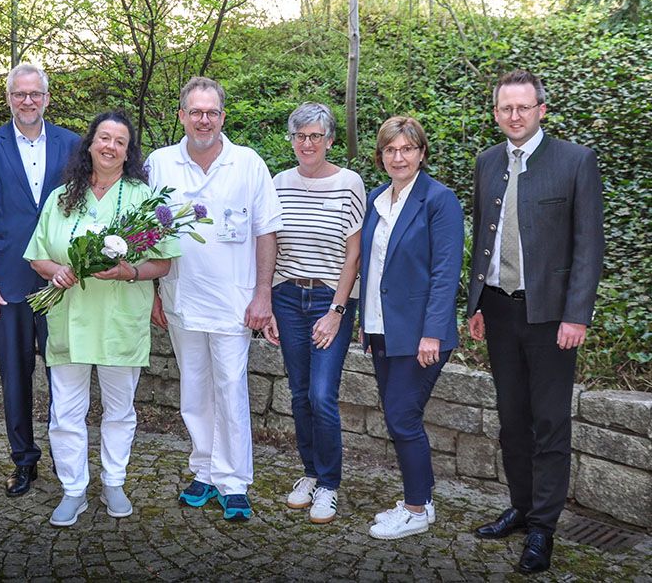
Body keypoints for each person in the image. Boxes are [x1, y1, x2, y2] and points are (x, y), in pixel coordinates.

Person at [468, 70, 603, 574]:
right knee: (511, 420)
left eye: (523, 107)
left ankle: (543, 527)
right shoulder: (487, 162)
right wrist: (476, 304)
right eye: (506, 108)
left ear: (541, 109)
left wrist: (576, 315)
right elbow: (484, 237)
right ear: (497, 112)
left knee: (549, 423)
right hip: (500, 310)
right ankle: (521, 509)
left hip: (551, 318)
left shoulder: (574, 161)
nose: (514, 116)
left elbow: (589, 246)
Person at [23, 111, 179, 526]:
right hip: (69, 316)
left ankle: (114, 480)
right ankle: (73, 489)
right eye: (103, 138)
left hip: (118, 318)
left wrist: (130, 271)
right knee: (66, 412)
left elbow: (162, 263)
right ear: (89, 144)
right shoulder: (62, 197)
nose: (109, 146)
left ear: (128, 153)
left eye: (120, 141)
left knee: (119, 409)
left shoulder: (144, 199)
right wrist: (53, 270)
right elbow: (38, 253)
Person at [146, 77, 283, 521]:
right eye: (196, 111)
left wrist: (263, 293)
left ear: (223, 117)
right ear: (182, 115)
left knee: (230, 388)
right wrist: (153, 293)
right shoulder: (159, 164)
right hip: (181, 298)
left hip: (234, 302)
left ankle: (235, 481)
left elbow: (267, 230)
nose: (204, 119)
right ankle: (204, 470)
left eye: (212, 112)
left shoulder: (247, 163)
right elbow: (144, 234)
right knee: (194, 390)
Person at [0, 63, 81, 496]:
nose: (27, 101)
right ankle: (24, 461)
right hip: (6, 283)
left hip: (59, 281)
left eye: (35, 94)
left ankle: (67, 459)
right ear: (9, 98)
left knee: (63, 376)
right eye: (19, 94)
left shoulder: (72, 144)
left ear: (47, 98)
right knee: (15, 376)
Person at [359, 116, 463, 540]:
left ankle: (417, 508)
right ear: (381, 155)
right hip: (383, 329)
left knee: (402, 418)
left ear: (421, 152)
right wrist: (365, 325)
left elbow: (445, 271)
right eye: (390, 149)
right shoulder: (376, 198)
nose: (398, 157)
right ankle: (419, 499)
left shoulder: (439, 200)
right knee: (399, 415)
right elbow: (372, 266)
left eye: (407, 149)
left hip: (420, 334)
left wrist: (433, 333)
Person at [262, 102, 365, 524]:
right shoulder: (278, 183)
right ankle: (309, 473)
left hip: (329, 301)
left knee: (323, 394)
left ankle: (329, 485)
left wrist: (338, 311)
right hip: (287, 298)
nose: (307, 143)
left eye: (316, 136)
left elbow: (354, 254)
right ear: (292, 140)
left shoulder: (349, 183)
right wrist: (265, 301)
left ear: (330, 140)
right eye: (300, 136)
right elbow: (268, 245)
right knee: (299, 393)